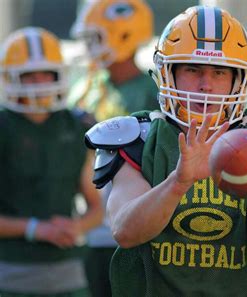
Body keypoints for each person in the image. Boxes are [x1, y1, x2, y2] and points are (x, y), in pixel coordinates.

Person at [85, 6, 247, 297]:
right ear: (168, 73)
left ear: (238, 79)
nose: (206, 85)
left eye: (219, 72)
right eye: (193, 69)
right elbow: (125, 232)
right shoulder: (138, 139)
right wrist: (178, 182)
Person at [0, 27, 103, 297]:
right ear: (11, 77)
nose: (40, 82)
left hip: (68, 274)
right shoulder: (4, 127)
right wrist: (35, 229)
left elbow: (96, 207)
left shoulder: (74, 125)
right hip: (9, 275)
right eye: (30, 75)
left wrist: (76, 227)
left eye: (47, 73)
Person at [69, 1, 158, 296]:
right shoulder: (86, 86)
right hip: (88, 225)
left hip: (130, 222)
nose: (90, 47)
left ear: (123, 36)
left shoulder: (152, 91)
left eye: (96, 38)